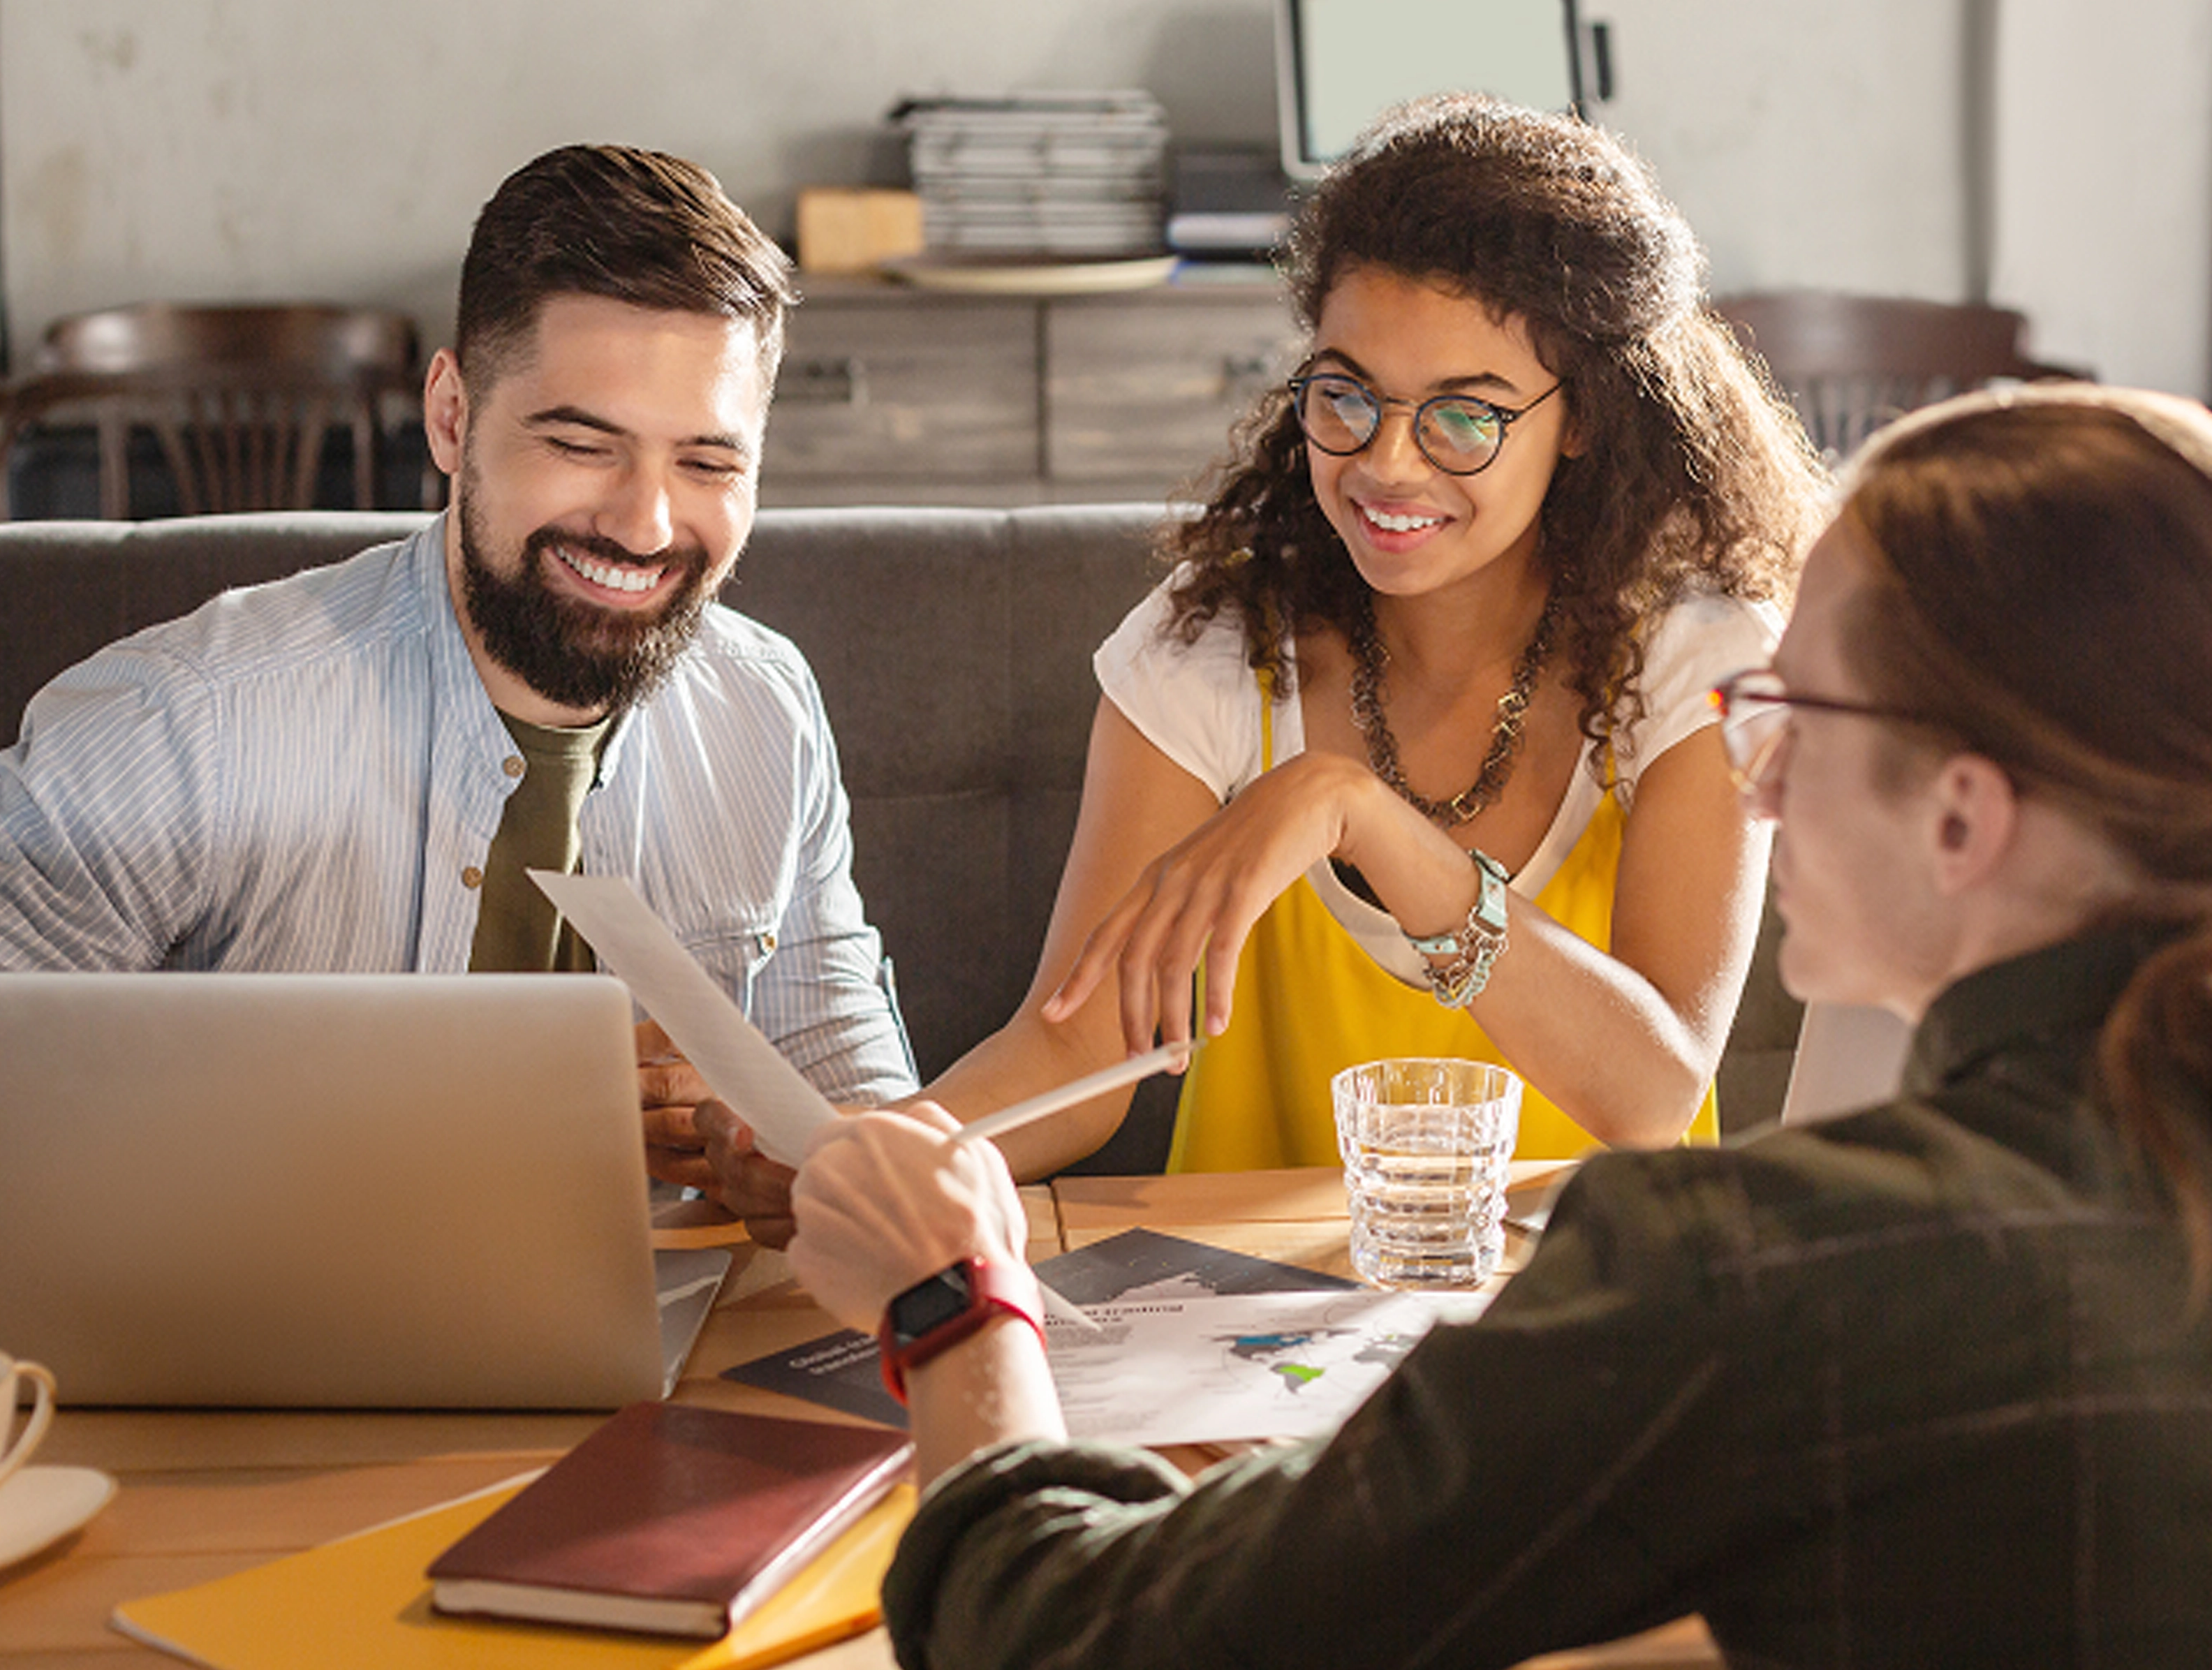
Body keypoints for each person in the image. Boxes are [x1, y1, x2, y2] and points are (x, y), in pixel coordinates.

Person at [781, 385, 2212, 1670]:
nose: (1752, 780)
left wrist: (957, 1309)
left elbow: (1078, 1646)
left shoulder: (1773, 1275)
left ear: (1968, 812)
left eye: (1797, 720)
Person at [700, 94, 1824, 1224]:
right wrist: (871, 1154)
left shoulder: (1693, 655)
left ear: (1582, 417)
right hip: (1246, 1322)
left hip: (1589, 1316)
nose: (1386, 463)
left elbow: (1653, 1090)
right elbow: (1079, 1050)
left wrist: (1356, 812)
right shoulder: (1215, 645)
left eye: (1464, 417)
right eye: (1345, 394)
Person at [0, 144, 915, 1240]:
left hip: (667, 1379)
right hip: (247, 1378)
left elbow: (847, 1081)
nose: (646, 523)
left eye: (707, 464)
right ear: (452, 418)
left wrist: (821, 1170)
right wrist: (451, 1112)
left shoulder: (767, 706)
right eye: (582, 444)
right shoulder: (196, 720)